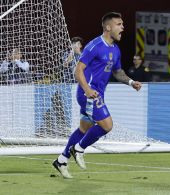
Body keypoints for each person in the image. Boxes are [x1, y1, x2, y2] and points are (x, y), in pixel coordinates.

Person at [52, 12, 142, 179]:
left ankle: (61, 160)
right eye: (119, 24)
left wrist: (131, 82)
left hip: (96, 94)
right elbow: (77, 71)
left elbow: (118, 72)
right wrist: (87, 90)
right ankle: (78, 149)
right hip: (88, 94)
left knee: (83, 129)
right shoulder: (94, 46)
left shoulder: (115, 49)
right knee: (107, 126)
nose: (123, 27)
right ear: (108, 27)